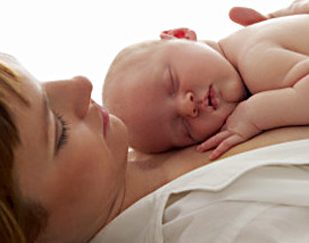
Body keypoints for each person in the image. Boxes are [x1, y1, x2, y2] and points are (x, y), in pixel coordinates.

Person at [1, 1, 309, 242]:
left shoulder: (149, 134)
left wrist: (286, 25)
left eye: (42, 84)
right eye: (59, 131)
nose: (80, 84)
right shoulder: (223, 228)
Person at [103, 8, 309, 160]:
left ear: (181, 36)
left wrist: (255, 114)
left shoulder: (255, 60)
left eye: (172, 83)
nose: (187, 107)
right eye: (184, 128)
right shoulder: (241, 47)